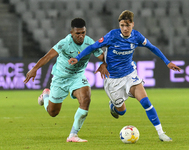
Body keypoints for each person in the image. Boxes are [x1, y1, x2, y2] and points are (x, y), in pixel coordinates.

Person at [68, 10, 181, 142]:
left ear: (133, 24)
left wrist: (167, 62)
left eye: (127, 25)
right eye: (122, 25)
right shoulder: (112, 36)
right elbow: (93, 47)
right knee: (121, 111)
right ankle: (113, 107)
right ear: (119, 25)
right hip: (113, 80)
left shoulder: (137, 36)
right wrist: (78, 57)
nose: (125, 28)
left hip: (130, 74)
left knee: (146, 102)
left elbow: (152, 47)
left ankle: (161, 133)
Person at [24, 18, 104, 142]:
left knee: (86, 99)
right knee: (53, 112)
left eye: (83, 32)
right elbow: (48, 56)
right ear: (71, 32)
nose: (81, 36)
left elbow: (102, 56)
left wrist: (104, 63)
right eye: (78, 33)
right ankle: (45, 96)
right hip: (60, 78)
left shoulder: (89, 43)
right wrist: (35, 68)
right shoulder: (64, 43)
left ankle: (73, 135)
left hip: (77, 77)